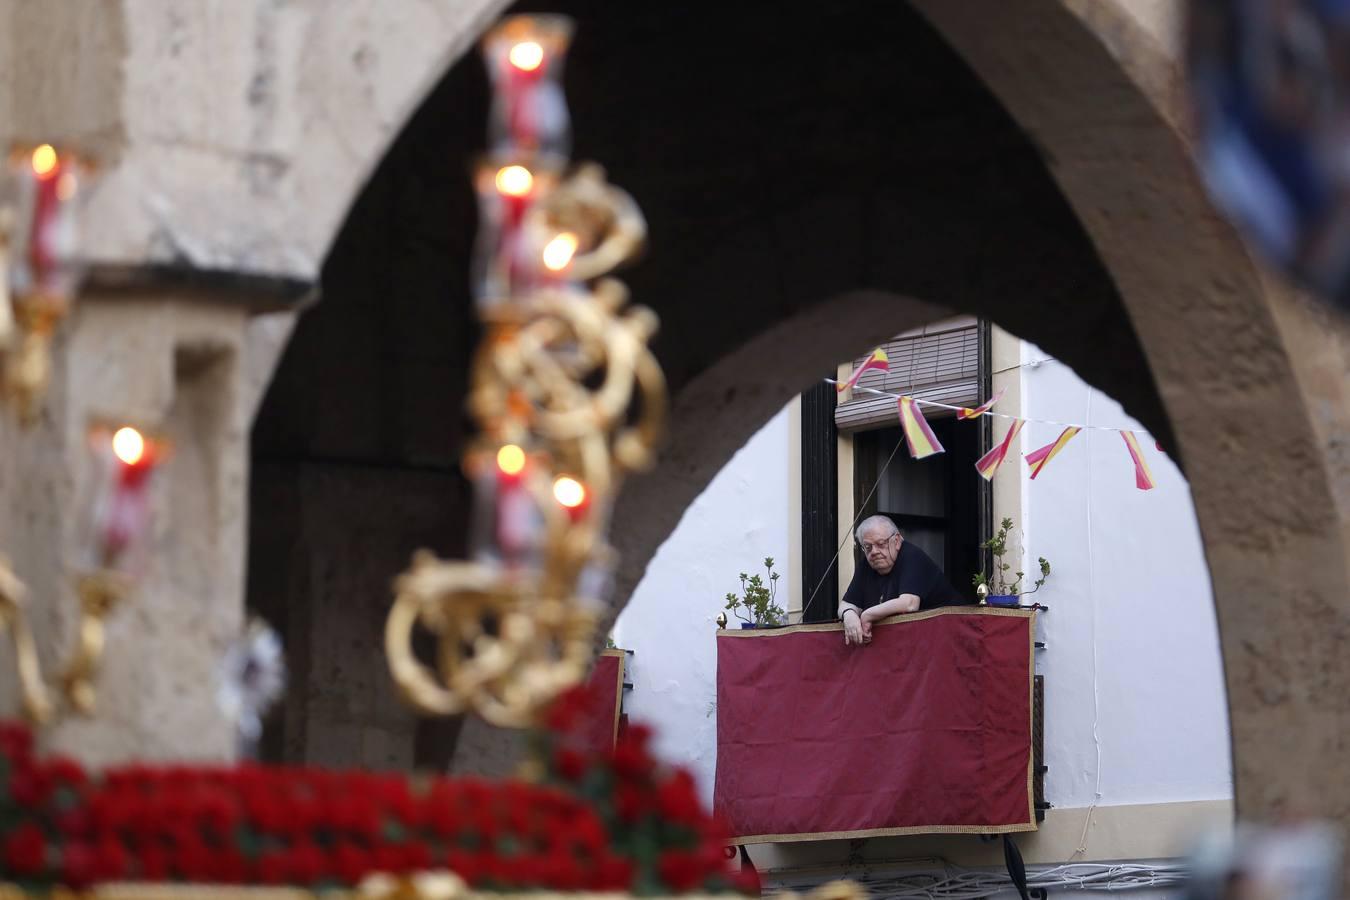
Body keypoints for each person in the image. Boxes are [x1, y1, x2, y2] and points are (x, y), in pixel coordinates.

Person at [837, 515, 967, 646]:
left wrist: (867, 615)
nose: (874, 552)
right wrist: (849, 616)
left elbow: (909, 604)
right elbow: (845, 604)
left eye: (881, 544)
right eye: (868, 547)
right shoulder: (867, 564)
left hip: (951, 636)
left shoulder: (912, 556)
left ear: (897, 541)